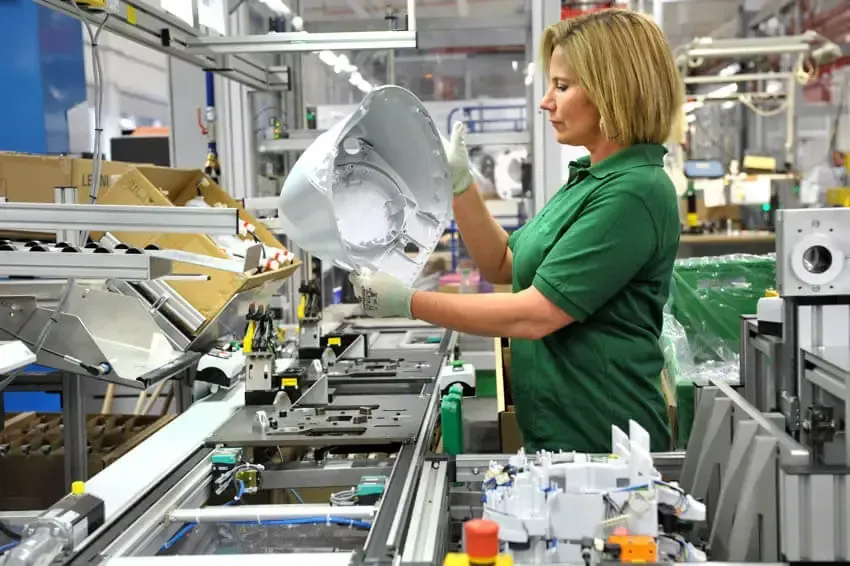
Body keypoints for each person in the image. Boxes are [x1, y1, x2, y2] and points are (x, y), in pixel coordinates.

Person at [351, 9, 684, 454]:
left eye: (562, 87)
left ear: (613, 93)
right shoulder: (588, 178)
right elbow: (503, 263)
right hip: (560, 430)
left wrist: (408, 302)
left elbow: (536, 314)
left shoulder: (635, 193)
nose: (547, 101)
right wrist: (460, 185)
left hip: (604, 440)